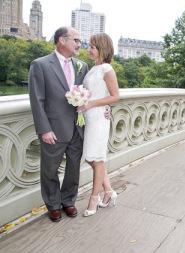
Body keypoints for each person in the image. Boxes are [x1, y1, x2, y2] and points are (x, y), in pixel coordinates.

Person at [28, 26, 89, 222]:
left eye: (79, 41)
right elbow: (37, 100)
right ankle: (53, 204)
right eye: (76, 40)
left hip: (77, 128)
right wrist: (44, 129)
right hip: (53, 129)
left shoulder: (82, 66)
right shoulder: (40, 64)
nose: (79, 44)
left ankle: (68, 201)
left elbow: (87, 94)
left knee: (73, 169)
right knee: (49, 169)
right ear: (62, 41)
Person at [77, 33, 119, 217]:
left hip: (99, 118)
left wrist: (91, 104)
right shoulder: (92, 69)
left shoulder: (107, 69)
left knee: (96, 158)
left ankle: (94, 197)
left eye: (92, 47)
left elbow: (115, 96)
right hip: (90, 117)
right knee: (91, 157)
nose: (89, 49)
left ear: (102, 48)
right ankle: (109, 191)